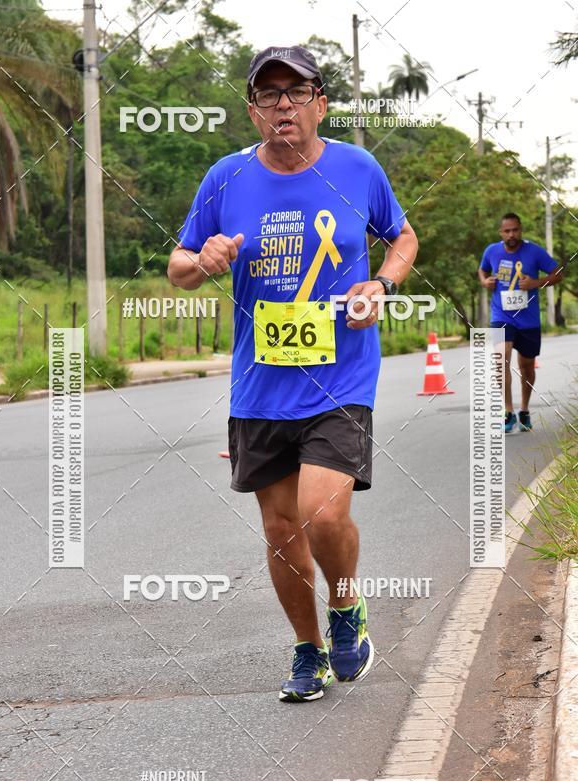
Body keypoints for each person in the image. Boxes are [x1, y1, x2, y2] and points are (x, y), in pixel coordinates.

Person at [168, 45, 418, 702]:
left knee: (321, 512)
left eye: (297, 92)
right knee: (280, 532)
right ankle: (308, 649)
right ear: (253, 111)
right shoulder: (225, 179)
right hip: (261, 385)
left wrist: (381, 286)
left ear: (321, 104)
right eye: (269, 94)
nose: (284, 104)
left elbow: (403, 238)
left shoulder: (357, 168)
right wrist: (206, 260)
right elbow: (178, 266)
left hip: (340, 377)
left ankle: (346, 607)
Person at [478, 213, 562, 433]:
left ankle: (524, 409)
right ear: (501, 233)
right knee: (500, 359)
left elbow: (558, 273)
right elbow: (483, 269)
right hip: (501, 316)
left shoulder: (534, 251)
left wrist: (537, 282)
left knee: (526, 366)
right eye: (507, 231)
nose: (511, 234)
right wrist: (485, 281)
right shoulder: (492, 251)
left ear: (521, 230)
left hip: (528, 320)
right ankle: (508, 411)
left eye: (515, 230)